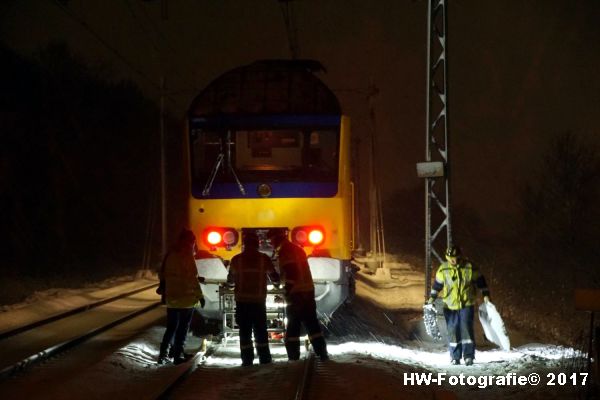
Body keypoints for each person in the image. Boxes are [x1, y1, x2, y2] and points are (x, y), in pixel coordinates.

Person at [267, 229, 329, 361]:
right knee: (312, 324)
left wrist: (287, 291)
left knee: (293, 325)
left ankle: (293, 356)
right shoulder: (295, 249)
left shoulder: (286, 251)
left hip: (296, 293)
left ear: (276, 239)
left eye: (271, 241)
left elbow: (291, 273)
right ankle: (322, 352)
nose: (271, 244)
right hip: (306, 290)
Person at [427, 245, 490, 366]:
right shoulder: (443, 269)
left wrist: (486, 294)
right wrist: (431, 299)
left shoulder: (469, 267)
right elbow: (437, 286)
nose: (453, 260)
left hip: (466, 304)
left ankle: (468, 356)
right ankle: (455, 357)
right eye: (451, 258)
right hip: (449, 306)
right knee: (452, 330)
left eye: (455, 257)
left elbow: (481, 281)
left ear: (460, 256)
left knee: (466, 329)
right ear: (447, 257)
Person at [227, 232, 280, 366]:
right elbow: (274, 278)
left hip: (242, 302)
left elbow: (230, 282)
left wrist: (231, 285)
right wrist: (277, 285)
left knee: (244, 332)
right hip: (258, 302)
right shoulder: (264, 259)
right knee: (260, 331)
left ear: (244, 244)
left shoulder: (236, 259)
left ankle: (247, 360)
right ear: (257, 244)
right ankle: (265, 359)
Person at [157, 229, 205, 365]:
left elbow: (163, 274)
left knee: (171, 327)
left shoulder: (170, 254)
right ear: (191, 241)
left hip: (172, 297)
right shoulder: (187, 255)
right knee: (183, 328)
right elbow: (192, 277)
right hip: (186, 298)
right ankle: (178, 355)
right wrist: (200, 295)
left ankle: (163, 354)